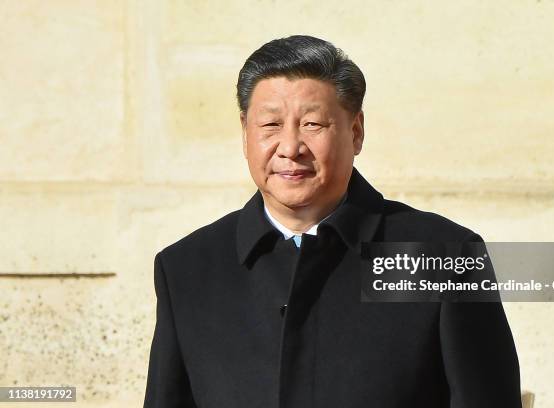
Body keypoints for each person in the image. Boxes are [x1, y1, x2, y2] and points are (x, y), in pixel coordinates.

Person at [143, 34, 522, 408]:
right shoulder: (187, 270)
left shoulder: (442, 256)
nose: (290, 148)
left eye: (313, 125)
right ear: (245, 133)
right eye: (270, 125)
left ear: (355, 132)